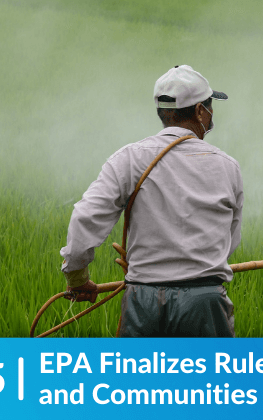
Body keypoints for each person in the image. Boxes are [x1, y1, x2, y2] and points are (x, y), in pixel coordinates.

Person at [59, 65, 243, 337]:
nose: (212, 112)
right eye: (210, 105)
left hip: (143, 301)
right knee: (209, 381)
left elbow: (85, 218)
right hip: (204, 302)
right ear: (199, 112)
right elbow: (229, 240)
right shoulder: (227, 166)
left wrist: (77, 279)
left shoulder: (129, 158)